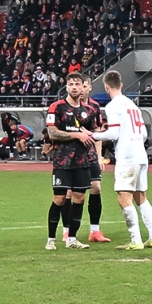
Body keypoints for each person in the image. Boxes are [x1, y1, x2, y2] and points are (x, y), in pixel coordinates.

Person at [95, 70, 152, 250]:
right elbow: (144, 134)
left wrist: (93, 135)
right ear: (121, 85)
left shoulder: (112, 106)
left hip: (127, 156)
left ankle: (136, 240)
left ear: (106, 87)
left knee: (124, 198)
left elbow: (113, 134)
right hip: (141, 155)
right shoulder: (133, 105)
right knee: (141, 197)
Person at [44, 71, 105, 250]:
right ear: (67, 87)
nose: (75, 87)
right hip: (63, 161)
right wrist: (77, 135)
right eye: (71, 84)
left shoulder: (89, 110)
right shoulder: (56, 107)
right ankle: (51, 239)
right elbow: (52, 133)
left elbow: (94, 134)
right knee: (60, 198)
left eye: (78, 84)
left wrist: (92, 135)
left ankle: (72, 239)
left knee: (79, 198)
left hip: (83, 161)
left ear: (83, 87)